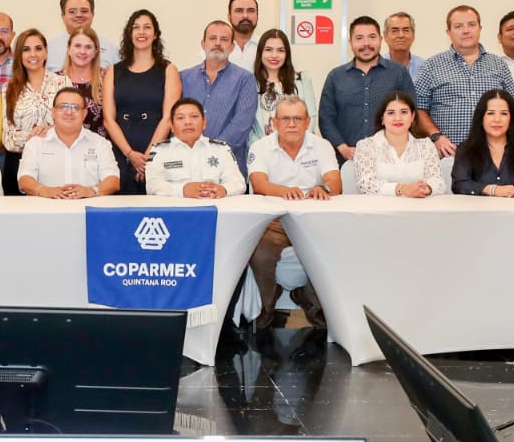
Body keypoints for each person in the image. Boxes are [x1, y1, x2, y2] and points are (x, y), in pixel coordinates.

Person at [247, 95, 341, 328]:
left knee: (334, 246)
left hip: (313, 218)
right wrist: (285, 191)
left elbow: (335, 182)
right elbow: (259, 184)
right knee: (260, 252)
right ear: (274, 122)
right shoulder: (260, 147)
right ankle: (268, 304)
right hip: (274, 219)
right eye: (285, 119)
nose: (291, 124)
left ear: (307, 122)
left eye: (298, 119)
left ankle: (310, 300)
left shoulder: (322, 145)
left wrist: (323, 188)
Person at [414, 5, 514, 158]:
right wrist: (436, 136)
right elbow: (418, 108)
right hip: (448, 154)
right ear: (449, 32)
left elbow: (513, 107)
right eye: (458, 26)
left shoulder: (499, 64)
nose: (466, 31)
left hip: (492, 155)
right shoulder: (431, 65)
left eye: (471, 24)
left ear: (480, 28)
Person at [103, 10, 181, 195]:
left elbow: (168, 118)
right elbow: (108, 119)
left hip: (156, 147)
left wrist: (148, 158)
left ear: (155, 35)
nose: (141, 32)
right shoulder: (114, 71)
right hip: (121, 149)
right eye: (136, 27)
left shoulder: (168, 70)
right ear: (129, 34)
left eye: (147, 27)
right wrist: (130, 154)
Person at [318, 17, 414, 162]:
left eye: (372, 37)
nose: (366, 43)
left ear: (380, 39)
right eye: (359, 38)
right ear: (350, 42)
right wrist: (342, 147)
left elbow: (411, 112)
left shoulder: (398, 73)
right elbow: (326, 118)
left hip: (390, 159)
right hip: (345, 160)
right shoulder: (336, 76)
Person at [179, 21, 258, 168]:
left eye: (224, 39)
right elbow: (175, 119)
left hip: (228, 166)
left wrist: (210, 154)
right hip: (187, 163)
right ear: (203, 44)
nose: (217, 43)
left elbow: (241, 124)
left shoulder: (245, 79)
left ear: (232, 47)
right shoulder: (183, 78)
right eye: (212, 38)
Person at [0, 29, 69, 195]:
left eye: (38, 48)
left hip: (56, 162)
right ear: (19, 55)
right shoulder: (8, 89)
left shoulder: (62, 83)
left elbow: (71, 123)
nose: (33, 54)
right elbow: (7, 137)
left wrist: (50, 130)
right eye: (26, 49)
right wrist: (32, 136)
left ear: (46, 52)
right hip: (18, 165)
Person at [17, 88, 120, 198]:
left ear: (84, 114)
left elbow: (113, 180)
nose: (69, 112)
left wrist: (91, 191)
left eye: (75, 107)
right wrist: (45, 191)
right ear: (53, 112)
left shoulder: (100, 143)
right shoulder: (36, 143)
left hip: (87, 206)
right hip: (46, 206)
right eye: (63, 107)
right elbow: (24, 180)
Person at [451, 89, 514, 196]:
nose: (497, 119)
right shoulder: (467, 148)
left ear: (511, 118)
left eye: (504, 113)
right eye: (490, 113)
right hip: (480, 206)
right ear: (481, 117)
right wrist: (491, 190)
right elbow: (459, 184)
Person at [145, 98, 245, 198]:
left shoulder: (220, 149)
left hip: (214, 204)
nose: (188, 122)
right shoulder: (160, 151)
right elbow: (152, 186)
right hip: (176, 206)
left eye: (194, 116)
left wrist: (224, 190)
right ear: (171, 125)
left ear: (204, 123)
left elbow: (238, 183)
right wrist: (182, 190)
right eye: (180, 118)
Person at [354, 89, 443, 197]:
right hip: (379, 206)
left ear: (412, 116)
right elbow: (365, 185)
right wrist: (402, 189)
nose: (398, 118)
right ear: (382, 119)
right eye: (391, 113)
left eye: (404, 112)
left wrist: (425, 189)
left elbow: (438, 182)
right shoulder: (366, 146)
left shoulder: (426, 145)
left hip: (418, 204)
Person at [253, 28, 323, 145]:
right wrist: (261, 148)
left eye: (280, 50)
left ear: (287, 54)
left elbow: (311, 117)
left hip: (298, 148)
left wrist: (297, 145)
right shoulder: (249, 82)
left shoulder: (302, 80)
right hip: (262, 149)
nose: (274, 55)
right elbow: (248, 126)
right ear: (260, 53)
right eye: (268, 50)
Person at [47, 0, 119, 71]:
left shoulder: (112, 50)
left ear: (92, 14)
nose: (79, 15)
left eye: (84, 11)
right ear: (63, 16)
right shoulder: (48, 50)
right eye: (72, 11)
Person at [59, 29, 108, 137]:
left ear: (96, 51)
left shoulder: (107, 78)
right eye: (77, 46)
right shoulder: (55, 80)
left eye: (88, 47)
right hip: (64, 145)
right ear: (68, 48)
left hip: (100, 145)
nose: (82, 51)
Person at [383, 12, 425, 81]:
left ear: (413, 36)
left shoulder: (424, 68)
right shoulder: (376, 67)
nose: (401, 35)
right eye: (395, 31)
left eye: (406, 30)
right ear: (385, 36)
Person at [226, 0, 262, 69]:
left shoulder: (266, 47)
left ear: (257, 16)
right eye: (239, 11)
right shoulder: (216, 47)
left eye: (251, 11)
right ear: (229, 17)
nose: (245, 16)